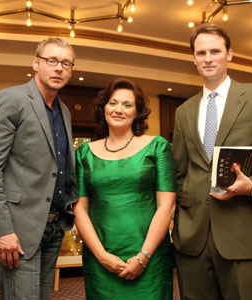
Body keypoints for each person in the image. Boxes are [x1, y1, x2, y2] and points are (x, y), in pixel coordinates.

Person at [172, 24, 252, 300]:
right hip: (193, 236)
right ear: (193, 59)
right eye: (201, 52)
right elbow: (180, 171)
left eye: (215, 51)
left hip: (242, 229)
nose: (208, 58)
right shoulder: (183, 111)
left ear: (230, 54)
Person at [0, 37, 79, 300]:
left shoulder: (64, 111)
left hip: (54, 227)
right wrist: (2, 230)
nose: (59, 68)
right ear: (35, 63)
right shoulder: (11, 99)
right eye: (52, 61)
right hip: (18, 230)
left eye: (66, 64)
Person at [73, 78, 176, 299]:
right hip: (100, 255)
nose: (119, 109)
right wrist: (101, 256)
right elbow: (79, 209)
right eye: (113, 103)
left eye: (127, 104)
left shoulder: (158, 146)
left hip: (149, 254)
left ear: (137, 112)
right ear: (104, 109)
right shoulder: (83, 153)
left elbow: (167, 207)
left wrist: (143, 256)